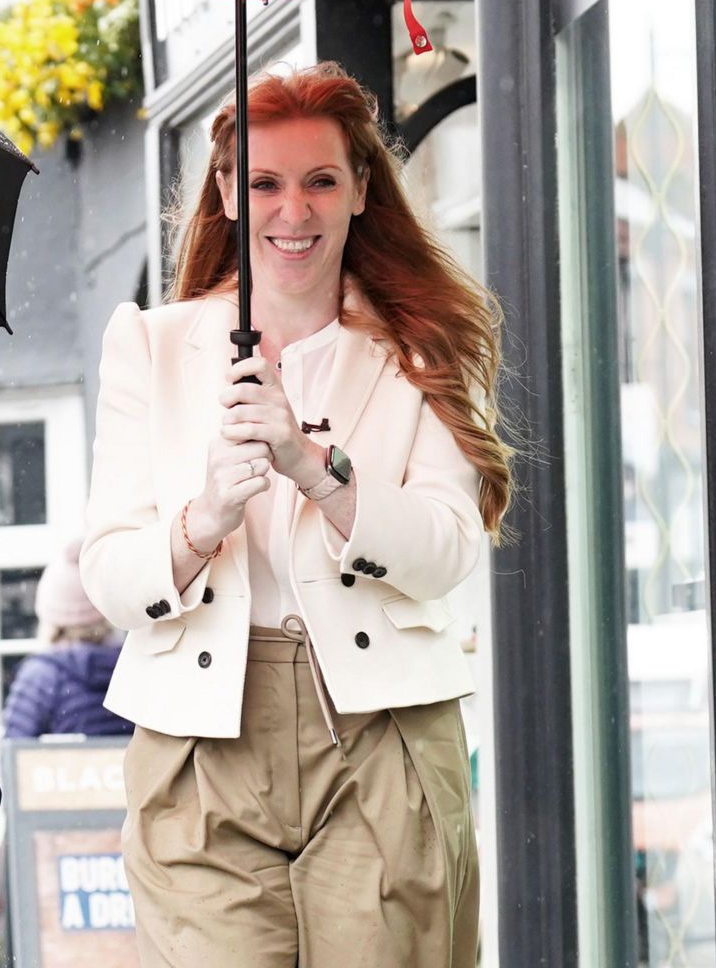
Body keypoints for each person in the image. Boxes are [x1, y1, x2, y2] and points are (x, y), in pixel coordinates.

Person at [80, 63, 511, 968]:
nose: (294, 212)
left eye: (320, 181)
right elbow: (111, 575)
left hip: (381, 729)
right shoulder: (152, 346)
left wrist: (314, 469)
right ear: (229, 192)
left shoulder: (421, 346)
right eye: (267, 183)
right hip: (202, 737)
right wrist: (202, 518)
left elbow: (445, 550)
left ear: (361, 187)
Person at [2, 540, 132, 738]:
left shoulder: (41, 677)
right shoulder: (131, 666)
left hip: (64, 769)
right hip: (127, 769)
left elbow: (14, 753)